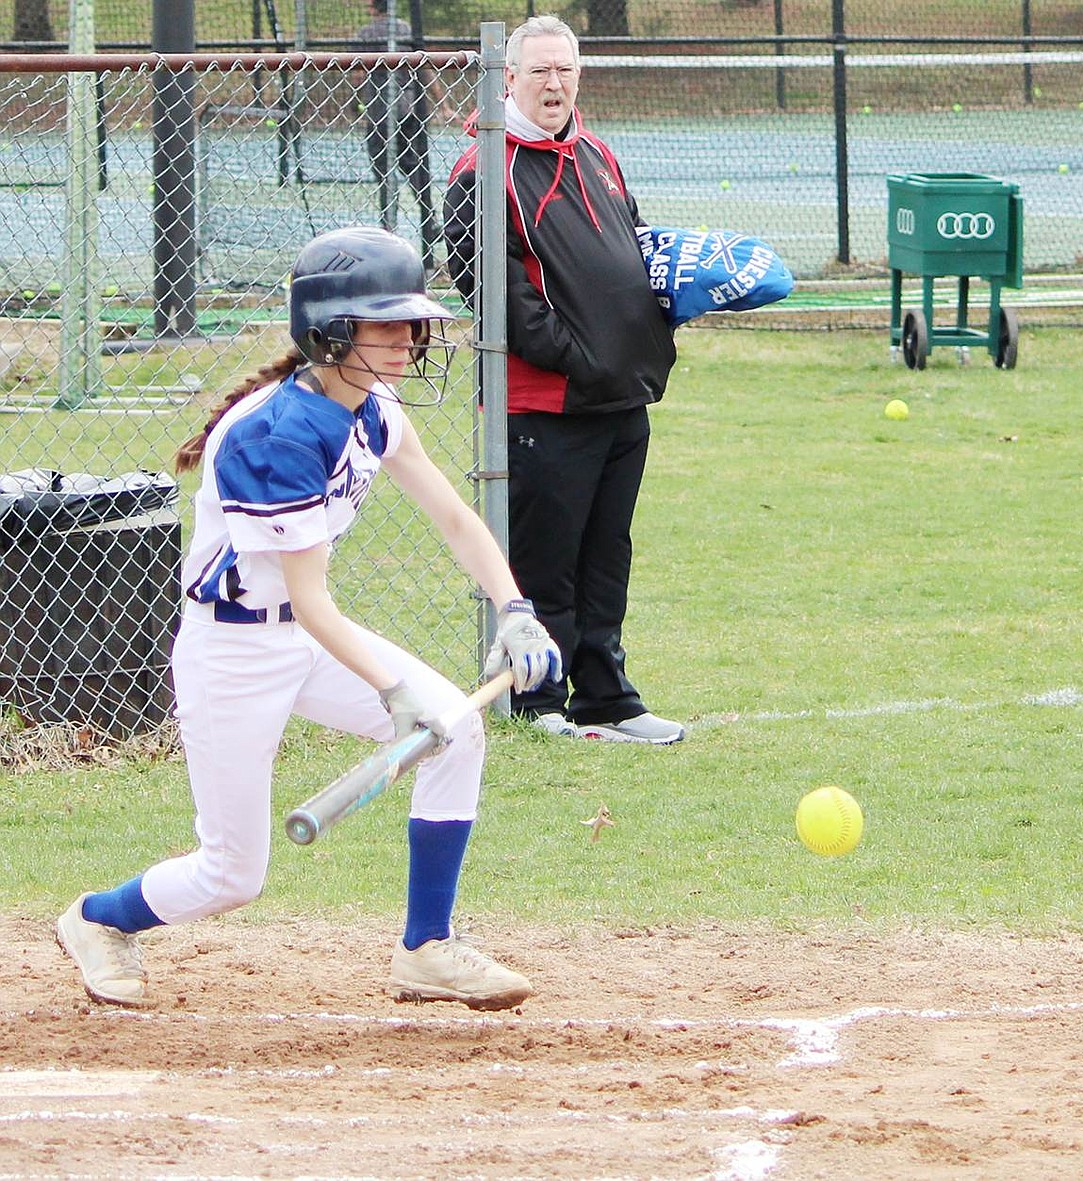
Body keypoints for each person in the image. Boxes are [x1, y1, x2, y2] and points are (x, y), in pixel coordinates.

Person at [56, 226, 561, 1013]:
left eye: (411, 323)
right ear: (328, 330)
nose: (407, 341)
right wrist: (394, 690)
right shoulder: (277, 437)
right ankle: (96, 919)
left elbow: (455, 517)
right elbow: (316, 602)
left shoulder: (372, 406)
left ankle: (425, 946)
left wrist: (516, 608)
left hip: (305, 634)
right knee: (232, 874)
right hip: (232, 653)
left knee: (457, 730)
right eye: (383, 324)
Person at [443, 15, 684, 745]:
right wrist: (585, 355)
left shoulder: (598, 154)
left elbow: (635, 250)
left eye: (566, 69)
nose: (555, 84)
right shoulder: (480, 173)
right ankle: (537, 699)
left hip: (621, 400)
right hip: (543, 407)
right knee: (546, 564)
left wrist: (667, 312)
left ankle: (606, 697)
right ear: (508, 77)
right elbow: (498, 302)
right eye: (540, 70)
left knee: (607, 555)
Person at [355, 0, 456, 272]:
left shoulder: (367, 34)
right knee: (418, 176)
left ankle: (390, 234)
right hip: (409, 111)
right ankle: (427, 230)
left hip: (382, 115)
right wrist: (443, 103)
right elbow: (424, 68)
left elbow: (358, 74)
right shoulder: (405, 28)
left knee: (386, 177)